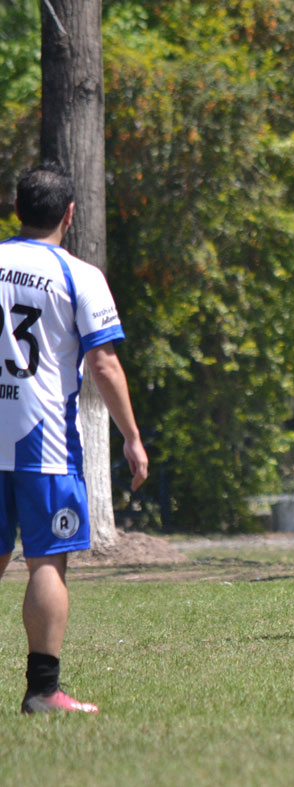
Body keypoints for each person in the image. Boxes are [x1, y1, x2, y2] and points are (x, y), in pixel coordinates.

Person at [0, 162, 149, 715]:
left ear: (18, 209)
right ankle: (42, 691)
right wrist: (132, 437)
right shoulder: (79, 274)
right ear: (69, 213)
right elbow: (104, 364)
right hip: (43, 442)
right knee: (46, 561)